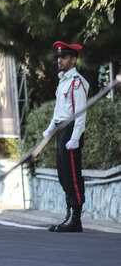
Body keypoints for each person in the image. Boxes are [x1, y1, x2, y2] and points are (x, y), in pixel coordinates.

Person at [44, 41, 89, 233]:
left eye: (63, 57)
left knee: (72, 176)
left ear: (73, 59)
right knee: (63, 175)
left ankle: (75, 218)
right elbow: (58, 110)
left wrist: (76, 136)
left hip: (71, 132)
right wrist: (50, 127)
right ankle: (69, 215)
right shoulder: (63, 80)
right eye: (58, 57)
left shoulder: (77, 82)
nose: (59, 60)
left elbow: (80, 112)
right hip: (61, 132)